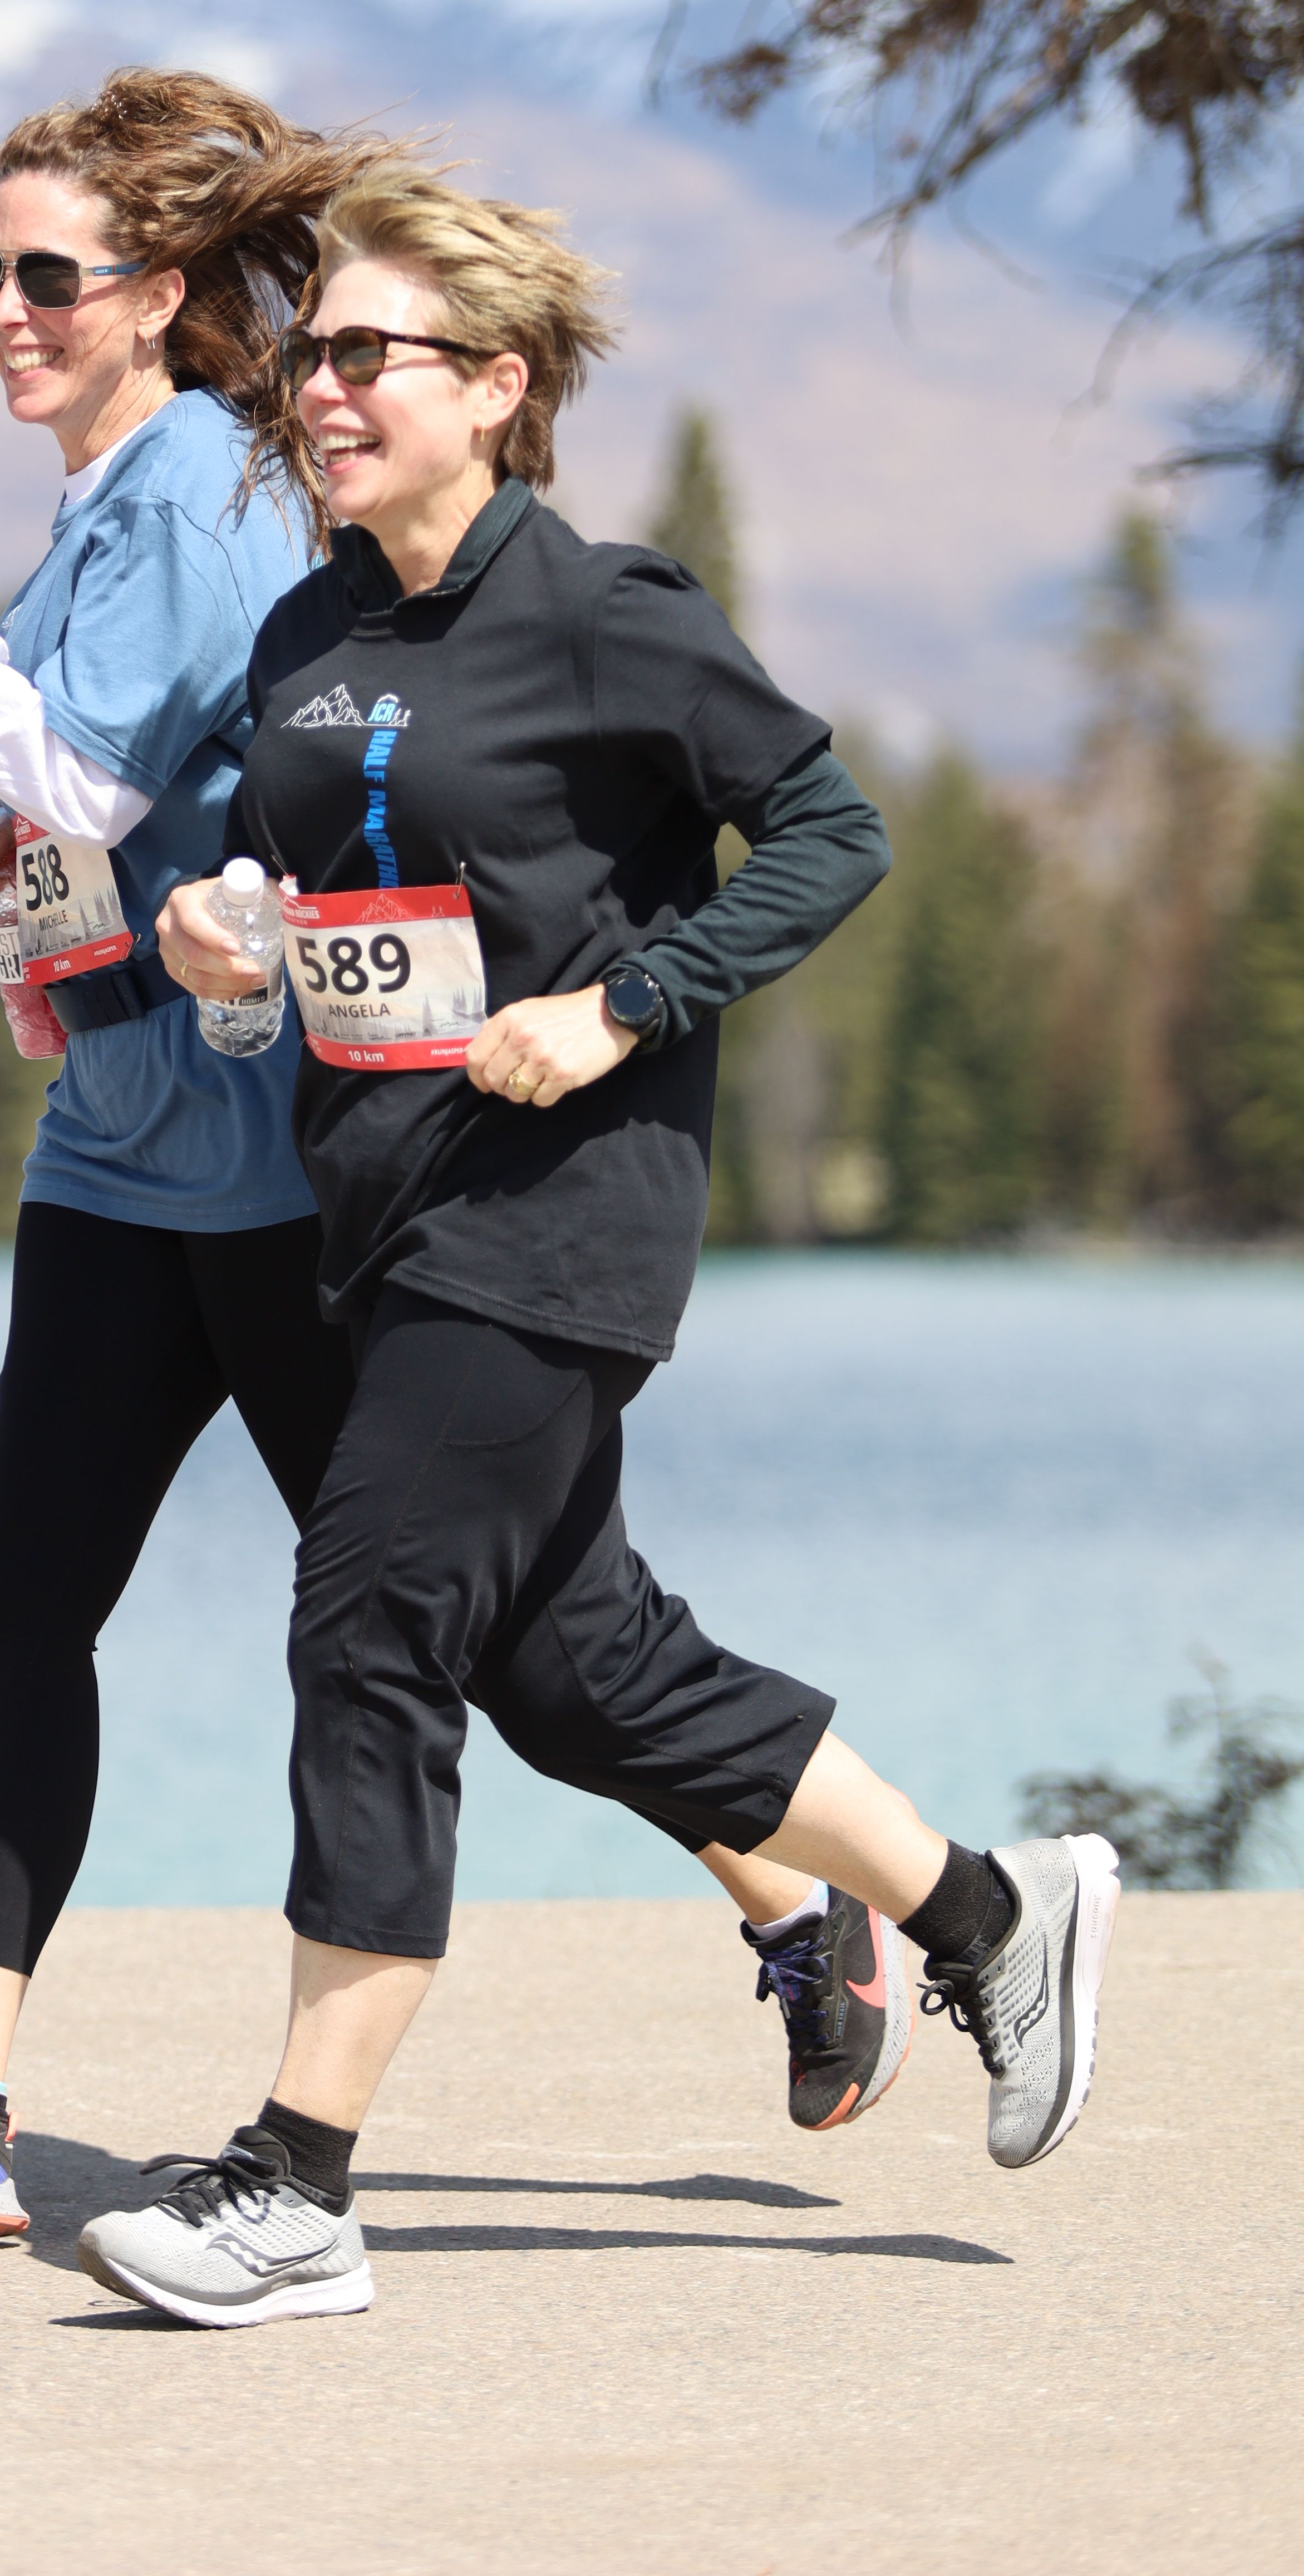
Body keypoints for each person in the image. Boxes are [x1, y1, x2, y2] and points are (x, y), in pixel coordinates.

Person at [0, 85, 921, 2249]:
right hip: (114, 1143)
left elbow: (62, 766)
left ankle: (797, 1910)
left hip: (273, 1170)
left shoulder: (189, 485)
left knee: (505, 1633)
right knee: (28, 1596)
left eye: (41, 275)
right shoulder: (104, 495)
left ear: (156, 297)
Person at [78, 164, 1120, 2327]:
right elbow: (299, 922)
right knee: (576, 1674)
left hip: (555, 1225)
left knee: (363, 1625)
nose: (322, 391)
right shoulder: (305, 638)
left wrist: (625, 1000)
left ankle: (297, 2185)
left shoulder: (600, 614)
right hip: (381, 1219)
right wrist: (214, 947)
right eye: (306, 361)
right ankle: (984, 1915)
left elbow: (829, 831)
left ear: (497, 386)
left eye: (369, 356)